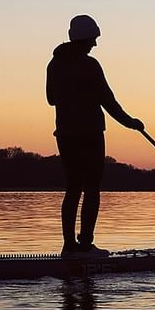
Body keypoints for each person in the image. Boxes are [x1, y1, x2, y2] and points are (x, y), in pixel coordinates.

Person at [46, 14, 143, 258]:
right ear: (84, 38)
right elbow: (107, 100)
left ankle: (69, 247)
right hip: (89, 134)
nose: (95, 45)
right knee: (91, 188)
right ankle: (86, 245)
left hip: (65, 134)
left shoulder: (54, 64)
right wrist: (130, 122)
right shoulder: (89, 65)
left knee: (73, 188)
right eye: (93, 39)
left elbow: (50, 99)